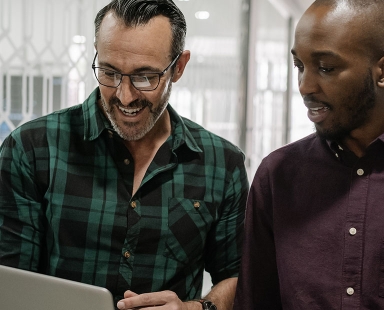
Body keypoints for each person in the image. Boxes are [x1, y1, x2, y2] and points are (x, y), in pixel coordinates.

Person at [0, 1, 249, 309]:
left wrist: (196, 308)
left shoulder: (221, 163)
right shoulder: (32, 148)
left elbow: (239, 276)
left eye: (145, 76)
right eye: (109, 71)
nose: (125, 95)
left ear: (179, 67)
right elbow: (10, 282)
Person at [233, 0, 384, 309]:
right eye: (299, 66)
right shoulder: (278, 175)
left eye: (326, 68)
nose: (305, 86)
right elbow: (255, 301)